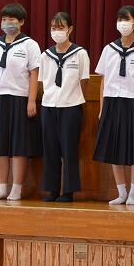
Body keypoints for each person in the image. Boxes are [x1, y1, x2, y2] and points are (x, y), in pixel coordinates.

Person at [93, 6, 134, 205]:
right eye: (120, 19)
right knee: (114, 148)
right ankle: (121, 192)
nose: (123, 23)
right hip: (112, 101)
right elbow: (103, 80)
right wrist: (102, 108)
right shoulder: (109, 49)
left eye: (127, 19)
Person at [0, 3, 42, 201]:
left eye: (12, 19)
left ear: (21, 22)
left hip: (18, 98)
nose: (7, 23)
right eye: (4, 19)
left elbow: (34, 74)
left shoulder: (30, 45)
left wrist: (31, 101)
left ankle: (16, 188)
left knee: (18, 146)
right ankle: (1, 188)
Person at [38, 12, 89, 202]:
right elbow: (43, 81)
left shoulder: (80, 53)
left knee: (69, 149)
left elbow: (84, 81)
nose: (57, 32)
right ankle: (52, 189)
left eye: (61, 28)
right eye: (54, 28)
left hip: (71, 106)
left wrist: (75, 99)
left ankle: (68, 191)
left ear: (70, 29)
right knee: (50, 149)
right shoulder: (46, 55)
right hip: (49, 105)